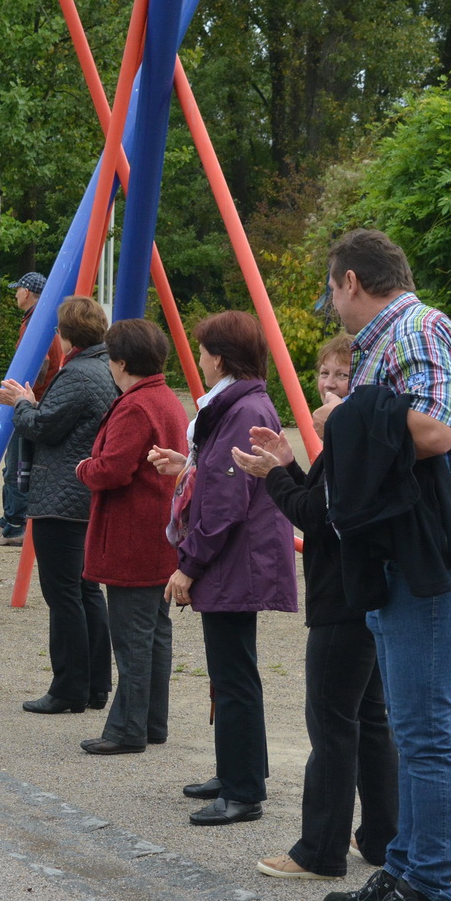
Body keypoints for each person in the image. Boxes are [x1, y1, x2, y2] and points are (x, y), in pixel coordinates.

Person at [316, 229, 451, 901]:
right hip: (397, 554)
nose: (329, 306)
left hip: (427, 558)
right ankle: (406, 868)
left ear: (349, 280)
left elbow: (436, 429)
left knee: (426, 732)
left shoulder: (417, 327)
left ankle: (432, 893)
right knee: (411, 727)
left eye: (329, 291)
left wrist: (354, 415)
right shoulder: (390, 337)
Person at [232, 334, 396, 879]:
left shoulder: (353, 442)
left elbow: (317, 518)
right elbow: (323, 502)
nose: (328, 386)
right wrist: (289, 464)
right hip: (364, 592)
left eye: (342, 377)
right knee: (370, 719)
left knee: (332, 723)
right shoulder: (353, 442)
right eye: (323, 375)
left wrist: (273, 476)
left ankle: (320, 850)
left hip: (343, 600)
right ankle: (379, 837)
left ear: (364, 383)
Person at [150, 311, 296, 826]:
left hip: (238, 559)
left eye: (205, 350)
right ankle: (238, 770)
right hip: (239, 556)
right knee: (232, 671)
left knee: (233, 674)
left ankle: (243, 790)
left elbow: (227, 502)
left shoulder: (240, 409)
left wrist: (188, 565)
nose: (201, 359)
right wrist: (184, 465)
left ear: (220, 357)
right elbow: (217, 479)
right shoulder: (239, 404)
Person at [0, 296, 116, 713]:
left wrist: (21, 405)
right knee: (86, 591)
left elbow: (42, 427)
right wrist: (32, 403)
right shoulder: (103, 369)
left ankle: (68, 688)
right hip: (84, 496)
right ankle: (96, 684)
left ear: (66, 333)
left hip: (60, 498)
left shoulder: (77, 373)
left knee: (63, 594)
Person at [71, 319, 188, 754]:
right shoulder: (166, 400)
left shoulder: (136, 406)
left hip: (132, 535)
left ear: (120, 362)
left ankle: (127, 729)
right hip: (161, 532)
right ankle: (150, 721)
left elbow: (113, 469)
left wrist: (84, 467)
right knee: (155, 631)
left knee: (133, 635)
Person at [0, 271, 49, 547]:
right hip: (30, 399)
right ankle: (8, 519)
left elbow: (42, 364)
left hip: (29, 401)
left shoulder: (37, 321)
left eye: (18, 288)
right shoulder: (36, 318)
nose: (15, 293)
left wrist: (21, 393)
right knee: (14, 463)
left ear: (28, 292)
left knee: (17, 464)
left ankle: (15, 524)